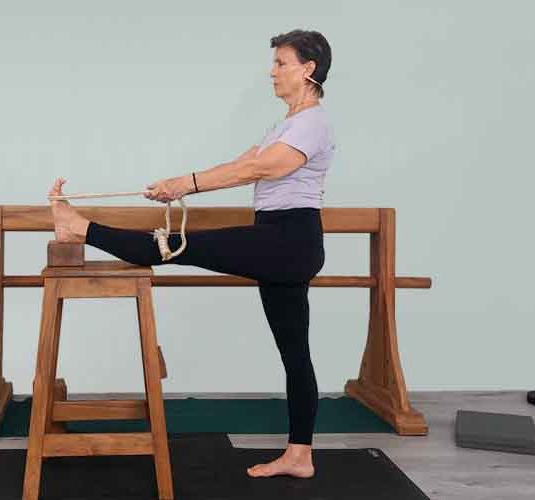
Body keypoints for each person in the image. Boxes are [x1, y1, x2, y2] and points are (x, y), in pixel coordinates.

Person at [49, 29, 334, 479]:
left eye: (281, 63)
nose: (272, 71)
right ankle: (301, 455)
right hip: (280, 239)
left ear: (308, 69)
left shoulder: (312, 122)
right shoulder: (283, 124)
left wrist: (187, 184)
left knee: (171, 245)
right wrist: (177, 183)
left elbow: (266, 167)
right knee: (295, 353)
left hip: (289, 240)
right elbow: (240, 168)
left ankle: (78, 227)